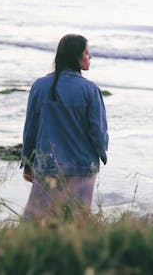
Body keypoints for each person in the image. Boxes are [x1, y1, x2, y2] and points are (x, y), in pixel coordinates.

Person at [21, 34, 109, 220]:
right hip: (82, 165)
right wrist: (102, 154)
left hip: (47, 165)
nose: (90, 57)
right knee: (75, 221)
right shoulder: (90, 89)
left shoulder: (39, 86)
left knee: (36, 221)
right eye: (86, 53)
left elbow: (31, 129)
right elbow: (97, 132)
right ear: (76, 56)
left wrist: (28, 162)